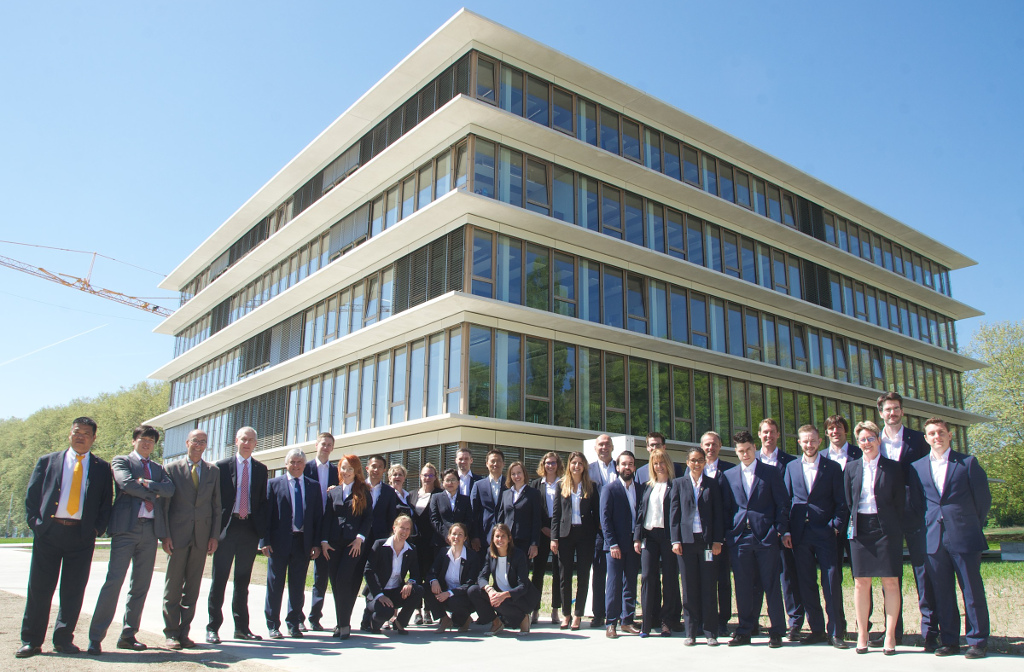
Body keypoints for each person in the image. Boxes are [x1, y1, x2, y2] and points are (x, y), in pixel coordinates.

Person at [17, 417, 112, 659]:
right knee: (39, 589)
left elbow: (105, 503)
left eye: (86, 433)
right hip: (49, 532)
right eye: (76, 432)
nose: (80, 437)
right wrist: (37, 525)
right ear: (70, 434)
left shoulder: (102, 467)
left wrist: (96, 530)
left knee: (73, 591)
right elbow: (32, 496)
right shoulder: (48, 461)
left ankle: (63, 639)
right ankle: (31, 640)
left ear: (94, 438)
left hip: (81, 536)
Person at [88, 425, 175, 654]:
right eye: (142, 439)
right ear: (134, 441)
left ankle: (128, 635)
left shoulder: (158, 468)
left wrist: (145, 485)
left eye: (151, 440)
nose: (146, 443)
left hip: (150, 531)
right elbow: (125, 483)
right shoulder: (121, 461)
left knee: (140, 586)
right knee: (114, 582)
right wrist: (152, 492)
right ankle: (96, 636)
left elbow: (170, 490)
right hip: (125, 529)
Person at [909, 418, 991, 659]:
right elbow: (916, 502)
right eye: (932, 433)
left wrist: (969, 522)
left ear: (950, 435)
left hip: (964, 534)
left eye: (941, 432)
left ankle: (977, 640)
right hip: (933, 536)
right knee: (942, 592)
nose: (937, 437)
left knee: (971, 589)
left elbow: (982, 500)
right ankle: (950, 641)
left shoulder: (967, 463)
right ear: (926, 438)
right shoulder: (917, 467)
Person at [721, 429, 790, 649]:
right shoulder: (729, 475)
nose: (745, 454)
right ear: (736, 452)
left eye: (749, 449)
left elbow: (783, 503)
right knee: (742, 586)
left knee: (771, 585)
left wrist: (778, 530)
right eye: (741, 451)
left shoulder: (770, 472)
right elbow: (726, 508)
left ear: (755, 448)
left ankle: (777, 630)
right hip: (740, 537)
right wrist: (729, 534)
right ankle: (744, 630)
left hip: (766, 537)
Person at [877, 391, 936, 648]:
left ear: (902, 411)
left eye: (896, 408)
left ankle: (930, 632)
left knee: (923, 572)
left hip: (914, 514)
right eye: (888, 409)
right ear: (881, 413)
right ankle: (894, 632)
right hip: (886, 515)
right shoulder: (873, 441)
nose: (893, 413)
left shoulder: (917, 440)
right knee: (890, 575)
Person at [783, 425, 849, 648]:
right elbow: (786, 500)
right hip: (800, 534)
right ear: (799, 443)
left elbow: (842, 501)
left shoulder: (832, 467)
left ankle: (836, 632)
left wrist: (836, 526)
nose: (809, 445)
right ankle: (817, 630)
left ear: (819, 441)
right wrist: (787, 530)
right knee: (806, 583)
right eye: (805, 441)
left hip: (826, 533)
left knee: (831, 582)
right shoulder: (791, 467)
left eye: (813, 441)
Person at [845, 421, 904, 655]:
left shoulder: (894, 468)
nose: (867, 443)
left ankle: (890, 635)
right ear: (857, 443)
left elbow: (900, 501)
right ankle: (862, 633)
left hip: (887, 529)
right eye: (862, 439)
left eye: (871, 438)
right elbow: (849, 500)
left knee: (890, 581)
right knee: (861, 582)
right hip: (861, 528)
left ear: (878, 440)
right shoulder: (851, 468)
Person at [160, 429, 221, 650]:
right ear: (187, 442)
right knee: (173, 587)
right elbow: (164, 506)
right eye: (195, 441)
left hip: (202, 538)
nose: (199, 445)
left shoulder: (213, 471)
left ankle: (184, 632)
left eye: (203, 442)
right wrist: (164, 535)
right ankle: (170, 633)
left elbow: (216, 507)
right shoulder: (170, 469)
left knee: (192, 589)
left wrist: (214, 536)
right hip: (176, 537)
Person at [207, 427, 268, 644]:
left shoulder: (261, 469)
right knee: (219, 580)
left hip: (249, 529)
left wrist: (263, 536)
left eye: (251, 440)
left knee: (243, 582)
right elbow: (213, 501)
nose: (247, 443)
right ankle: (213, 627)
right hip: (227, 528)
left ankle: (241, 628)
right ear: (236, 441)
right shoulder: (221, 467)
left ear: (255, 444)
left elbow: (262, 504)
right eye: (243, 439)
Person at [260, 449, 323, 639]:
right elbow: (266, 516)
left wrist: (316, 543)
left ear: (304, 465)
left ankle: (293, 622)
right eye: (292, 462)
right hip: (279, 544)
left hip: (302, 543)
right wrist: (265, 541)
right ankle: (273, 625)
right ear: (286, 464)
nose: (296, 466)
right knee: (275, 585)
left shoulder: (313, 486)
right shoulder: (273, 484)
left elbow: (317, 518)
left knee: (297, 586)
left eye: (299, 462)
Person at [670, 446, 724, 646]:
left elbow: (718, 514)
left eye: (700, 460)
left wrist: (718, 540)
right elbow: (674, 515)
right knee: (689, 587)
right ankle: (691, 632)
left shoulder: (712, 484)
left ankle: (710, 632)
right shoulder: (679, 484)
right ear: (687, 462)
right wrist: (675, 540)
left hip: (707, 543)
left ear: (705, 462)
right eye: (693, 460)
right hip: (685, 543)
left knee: (709, 587)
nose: (697, 463)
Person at [754, 418, 802, 641]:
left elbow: (790, 497)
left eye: (772, 432)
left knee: (787, 578)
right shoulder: (750, 459)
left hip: (782, 530)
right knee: (757, 578)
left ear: (778, 434)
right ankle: (753, 621)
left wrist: (785, 529)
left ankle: (794, 622)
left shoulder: (790, 462)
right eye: (765, 432)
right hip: (757, 531)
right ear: (759, 434)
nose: (768, 436)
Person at [320, 454, 372, 639]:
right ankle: (342, 622)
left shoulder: (364, 491)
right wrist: (324, 541)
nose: (346, 472)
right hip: (333, 545)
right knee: (335, 584)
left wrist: (360, 538)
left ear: (356, 471)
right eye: (343, 468)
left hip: (353, 545)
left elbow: (368, 518)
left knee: (343, 580)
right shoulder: (332, 492)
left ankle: (343, 625)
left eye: (350, 468)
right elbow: (327, 518)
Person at [550, 451, 600, 630]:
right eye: (573, 463)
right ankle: (566, 614)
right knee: (565, 577)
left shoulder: (591, 486)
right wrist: (554, 538)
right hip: (565, 536)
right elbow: (556, 514)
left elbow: (596, 514)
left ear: (584, 466)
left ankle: (578, 614)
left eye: (580, 463)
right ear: (569, 466)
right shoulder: (561, 485)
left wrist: (596, 534)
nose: (576, 466)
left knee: (583, 576)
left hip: (585, 535)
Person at [634, 447, 680, 637]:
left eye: (661, 462)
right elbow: (640, 513)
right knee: (647, 578)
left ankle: (666, 621)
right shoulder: (647, 486)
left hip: (668, 538)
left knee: (669, 578)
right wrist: (637, 537)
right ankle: (647, 622)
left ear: (667, 464)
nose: (659, 466)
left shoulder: (676, 485)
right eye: (655, 463)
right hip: (649, 537)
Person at [821, 414, 860, 639]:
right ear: (826, 433)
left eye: (839, 428)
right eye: (831, 429)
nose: (835, 432)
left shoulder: (858, 453)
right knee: (832, 577)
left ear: (846, 430)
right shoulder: (821, 456)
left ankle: (863, 624)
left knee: (860, 576)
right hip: (832, 527)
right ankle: (837, 625)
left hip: (857, 524)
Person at [468, 523, 540, 635]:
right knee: (473, 591)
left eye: (503, 536)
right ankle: (496, 623)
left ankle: (523, 617)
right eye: (497, 536)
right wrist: (489, 590)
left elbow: (523, 586)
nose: (500, 539)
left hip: (521, 597)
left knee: (499, 601)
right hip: (500, 593)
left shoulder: (518, 555)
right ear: (492, 538)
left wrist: (504, 595)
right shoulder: (490, 553)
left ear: (509, 538)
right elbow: (482, 577)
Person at [602, 450, 643, 639]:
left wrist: (639, 538)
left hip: (634, 544)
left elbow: (641, 517)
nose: (628, 467)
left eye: (631, 464)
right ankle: (611, 623)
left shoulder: (641, 489)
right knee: (614, 583)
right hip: (615, 546)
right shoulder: (610, 489)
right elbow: (605, 519)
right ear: (617, 467)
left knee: (631, 583)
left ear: (634, 467)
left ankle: (627, 620)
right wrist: (612, 544)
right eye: (624, 464)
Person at [362, 515, 423, 634]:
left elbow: (416, 574)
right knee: (386, 611)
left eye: (408, 529)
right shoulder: (379, 545)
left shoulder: (411, 549)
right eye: (402, 528)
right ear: (394, 528)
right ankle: (369, 621)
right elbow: (368, 571)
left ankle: (400, 622)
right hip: (378, 593)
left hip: (396, 591)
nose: (404, 532)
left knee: (418, 590)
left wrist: (410, 583)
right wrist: (379, 595)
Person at [700, 431, 734, 637]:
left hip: (721, 536)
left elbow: (731, 505)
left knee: (722, 579)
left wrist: (723, 534)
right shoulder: (693, 469)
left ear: (720, 446)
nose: (710, 448)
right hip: (699, 536)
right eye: (706, 445)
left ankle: (723, 619)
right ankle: (704, 618)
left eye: (713, 444)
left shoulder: (729, 471)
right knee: (703, 579)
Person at [303, 432, 337, 631]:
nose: (325, 447)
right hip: (307, 526)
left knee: (321, 577)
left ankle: (315, 617)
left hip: (328, 527)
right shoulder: (305, 467)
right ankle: (297, 617)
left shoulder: (336, 471)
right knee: (299, 576)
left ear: (332, 447)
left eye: (329, 444)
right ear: (316, 445)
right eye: (323, 444)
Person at [426, 522, 481, 632]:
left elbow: (469, 583)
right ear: (449, 537)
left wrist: (449, 593)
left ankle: (465, 618)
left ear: (465, 538)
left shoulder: (472, 556)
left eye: (460, 534)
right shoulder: (443, 553)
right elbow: (432, 572)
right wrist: (434, 580)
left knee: (454, 604)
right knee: (426, 588)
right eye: (454, 534)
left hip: (462, 597)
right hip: (445, 592)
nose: (456, 537)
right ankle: (445, 619)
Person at [587, 434, 617, 627]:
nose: (604, 447)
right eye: (600, 444)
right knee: (598, 571)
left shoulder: (621, 467)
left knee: (618, 573)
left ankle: (618, 612)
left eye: (607, 444)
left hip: (619, 529)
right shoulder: (587, 471)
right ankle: (598, 614)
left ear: (612, 447)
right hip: (597, 530)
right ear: (595, 448)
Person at [530, 451, 563, 624]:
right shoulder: (536, 484)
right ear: (543, 465)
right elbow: (534, 510)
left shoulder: (564, 483)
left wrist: (555, 531)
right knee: (538, 572)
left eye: (553, 462)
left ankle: (555, 610)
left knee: (558, 572)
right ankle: (535, 610)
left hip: (560, 532)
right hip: (541, 531)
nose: (550, 465)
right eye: (547, 463)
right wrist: (543, 528)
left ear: (558, 465)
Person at [410, 462, 440, 626]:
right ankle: (417, 611)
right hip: (415, 543)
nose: (427, 478)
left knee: (429, 577)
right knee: (415, 575)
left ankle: (428, 610)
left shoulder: (439, 494)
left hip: (432, 543)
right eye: (424, 475)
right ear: (420, 476)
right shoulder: (412, 494)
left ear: (435, 477)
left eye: (430, 475)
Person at [470, 448, 506, 552]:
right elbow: (473, 512)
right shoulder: (478, 485)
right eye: (492, 461)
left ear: (503, 464)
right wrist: (475, 536)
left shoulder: (509, 485)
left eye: (498, 461)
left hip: (505, 537)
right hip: (483, 538)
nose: (495, 464)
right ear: (487, 464)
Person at [430, 468, 473, 548]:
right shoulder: (436, 497)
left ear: (458, 482)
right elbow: (434, 519)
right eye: (447, 480)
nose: (450, 483)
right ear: (442, 483)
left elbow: (469, 519)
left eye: (453, 480)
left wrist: (459, 534)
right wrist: (447, 535)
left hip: (461, 541)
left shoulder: (465, 499)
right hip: (441, 541)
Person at [365, 454, 399, 544]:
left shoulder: (390, 492)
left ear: (384, 470)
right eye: (374, 466)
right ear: (367, 468)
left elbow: (391, 516)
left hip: (380, 536)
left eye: (380, 467)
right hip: (359, 536)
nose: (376, 470)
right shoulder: (358, 488)